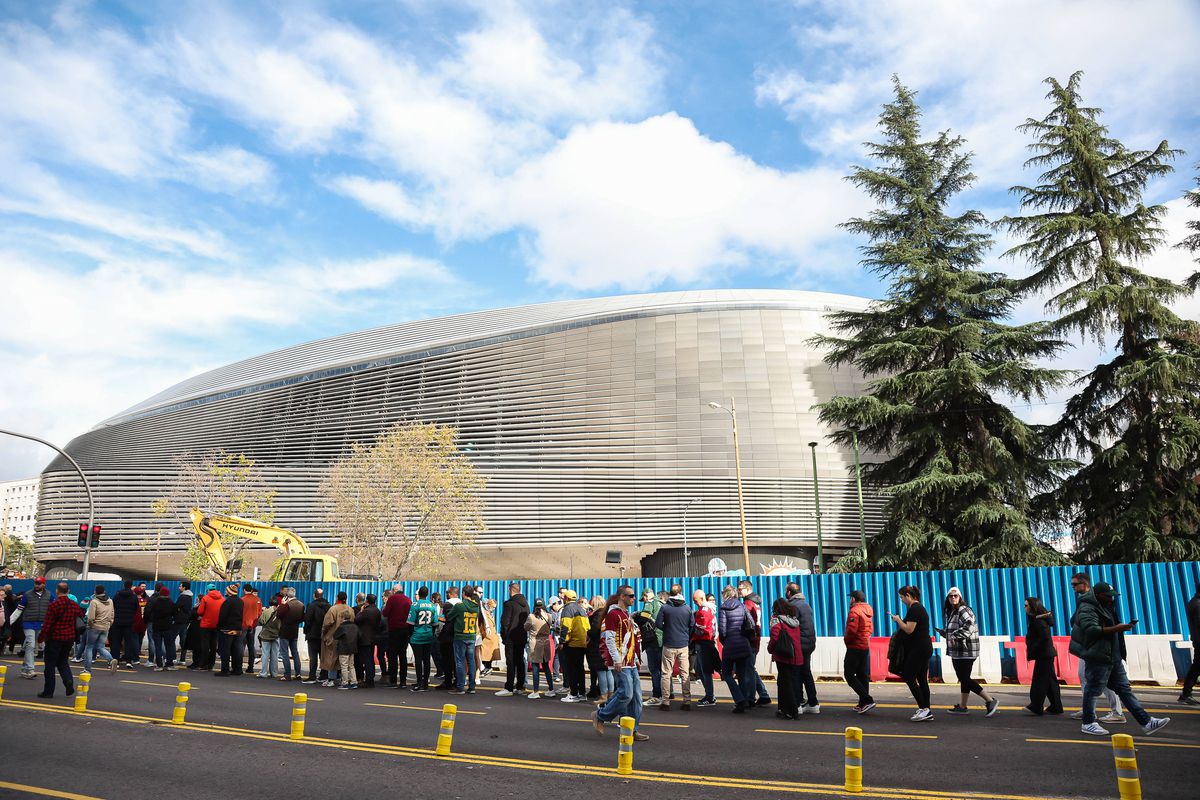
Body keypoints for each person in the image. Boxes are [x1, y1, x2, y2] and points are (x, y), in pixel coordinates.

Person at [1071, 581, 1170, 736]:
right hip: (1099, 656)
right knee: (1093, 689)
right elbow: (1090, 630)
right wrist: (1116, 629)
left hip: (1113, 656)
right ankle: (1088, 723)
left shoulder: (1107, 605)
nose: (1111, 599)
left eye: (1113, 596)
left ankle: (1146, 722)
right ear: (1098, 595)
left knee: (1124, 689)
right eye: (1108, 596)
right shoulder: (1087, 607)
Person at [591, 586, 648, 742]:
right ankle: (600, 715)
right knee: (626, 694)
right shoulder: (613, 615)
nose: (634, 598)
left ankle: (632, 730)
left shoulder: (626, 615)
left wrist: (636, 658)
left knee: (636, 698)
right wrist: (616, 659)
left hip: (629, 661)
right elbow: (609, 638)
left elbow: (631, 639)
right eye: (631, 595)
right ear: (622, 597)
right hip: (620, 663)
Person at [1068, 573, 1124, 723]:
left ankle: (1117, 712)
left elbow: (1106, 622)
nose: (1072, 587)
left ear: (1085, 584)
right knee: (1084, 676)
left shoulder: (1096, 599)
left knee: (1103, 679)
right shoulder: (1085, 599)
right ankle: (1089, 710)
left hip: (1098, 646)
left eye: (1075, 584)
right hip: (1088, 644)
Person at [940, 587, 998, 716]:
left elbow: (969, 625)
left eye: (955, 595)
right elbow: (958, 629)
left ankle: (990, 700)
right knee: (964, 678)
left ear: (960, 597)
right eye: (950, 596)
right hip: (959, 651)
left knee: (964, 678)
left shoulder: (963, 609)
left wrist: (955, 635)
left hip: (966, 650)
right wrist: (946, 634)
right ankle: (963, 706)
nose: (953, 598)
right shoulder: (953, 612)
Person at [891, 585, 933, 722]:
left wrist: (898, 620)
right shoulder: (918, 608)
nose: (901, 600)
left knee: (909, 676)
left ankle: (924, 708)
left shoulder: (915, 609)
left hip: (919, 649)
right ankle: (926, 709)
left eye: (902, 597)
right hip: (923, 647)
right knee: (921, 678)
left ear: (908, 596)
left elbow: (909, 629)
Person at [36, 582, 82, 698]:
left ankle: (48, 691)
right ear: (68, 591)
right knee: (63, 662)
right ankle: (68, 681)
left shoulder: (54, 605)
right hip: (69, 638)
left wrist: (41, 638)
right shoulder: (74, 605)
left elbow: (47, 624)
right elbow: (80, 618)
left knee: (50, 665)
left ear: (57, 591)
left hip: (55, 638)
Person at [719, 585, 757, 713]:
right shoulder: (742, 606)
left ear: (725, 595)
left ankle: (739, 699)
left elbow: (722, 630)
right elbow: (751, 623)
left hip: (730, 644)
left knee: (726, 673)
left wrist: (725, 641)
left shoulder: (723, 608)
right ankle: (744, 701)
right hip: (743, 643)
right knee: (742, 674)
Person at [1023, 597, 1063, 716]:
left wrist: (1033, 648)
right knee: (1050, 681)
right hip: (1046, 653)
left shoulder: (1038, 621)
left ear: (1033, 606)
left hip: (1043, 654)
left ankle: (1036, 705)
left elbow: (1043, 638)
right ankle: (1056, 706)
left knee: (1039, 680)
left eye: (1026, 605)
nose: (1024, 608)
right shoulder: (1037, 619)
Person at [656, 584, 692, 711]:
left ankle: (665, 701)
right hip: (683, 644)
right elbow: (692, 625)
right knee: (684, 673)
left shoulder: (665, 608)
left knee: (666, 673)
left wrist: (668, 629)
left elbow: (658, 624)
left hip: (669, 644)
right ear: (681, 592)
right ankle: (686, 701)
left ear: (670, 593)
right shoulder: (687, 608)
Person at [768, 597, 804, 720]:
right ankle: (787, 708)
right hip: (796, 656)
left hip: (784, 656)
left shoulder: (776, 620)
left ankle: (791, 711)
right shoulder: (794, 621)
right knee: (791, 682)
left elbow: (775, 638)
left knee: (785, 684)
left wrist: (770, 649)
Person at [785, 582, 819, 713]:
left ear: (789, 592)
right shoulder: (806, 605)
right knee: (806, 672)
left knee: (796, 674)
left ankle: (798, 703)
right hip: (809, 643)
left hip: (799, 644)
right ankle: (813, 703)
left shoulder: (792, 606)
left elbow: (791, 626)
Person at [738, 580, 771, 706]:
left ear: (748, 589)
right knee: (751, 668)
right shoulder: (756, 602)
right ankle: (763, 695)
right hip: (755, 639)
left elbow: (747, 623)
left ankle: (750, 698)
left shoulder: (747, 603)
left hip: (750, 640)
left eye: (741, 589)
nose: (739, 591)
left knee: (749, 670)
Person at [11, 577, 52, 678]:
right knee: (30, 644)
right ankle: (30, 669)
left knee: (34, 646)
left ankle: (25, 669)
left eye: (39, 583)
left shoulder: (50, 595)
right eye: (35, 583)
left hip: (42, 624)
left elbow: (53, 609)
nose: (36, 585)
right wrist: (10, 622)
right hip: (28, 623)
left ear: (44, 584)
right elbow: (19, 610)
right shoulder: (27, 594)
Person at [843, 589, 875, 713]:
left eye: (851, 598)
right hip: (864, 646)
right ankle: (863, 703)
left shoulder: (854, 611)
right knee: (862, 675)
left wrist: (847, 641)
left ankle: (867, 700)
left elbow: (851, 631)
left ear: (854, 599)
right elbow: (870, 629)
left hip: (854, 647)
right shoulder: (868, 610)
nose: (850, 600)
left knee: (849, 675)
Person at [446, 586, 480, 695]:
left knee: (460, 661)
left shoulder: (459, 606)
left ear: (464, 593)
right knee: (471, 661)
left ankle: (460, 686)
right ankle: (472, 686)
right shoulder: (476, 606)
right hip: (471, 636)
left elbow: (449, 616)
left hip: (460, 636)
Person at [498, 583, 529, 697]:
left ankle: (509, 687)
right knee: (520, 661)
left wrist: (504, 636)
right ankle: (520, 686)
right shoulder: (526, 604)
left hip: (511, 637)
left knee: (510, 663)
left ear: (510, 590)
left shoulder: (509, 604)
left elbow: (505, 622)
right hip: (522, 636)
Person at [559, 589, 590, 702]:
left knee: (571, 670)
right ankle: (582, 693)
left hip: (572, 643)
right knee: (580, 669)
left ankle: (573, 694)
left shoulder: (567, 609)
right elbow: (587, 627)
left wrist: (562, 641)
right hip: (582, 643)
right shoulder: (581, 609)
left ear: (566, 598)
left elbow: (566, 627)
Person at [407, 586, 439, 692]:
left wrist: (410, 635)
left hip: (417, 636)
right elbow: (435, 623)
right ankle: (425, 682)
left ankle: (419, 682)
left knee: (418, 660)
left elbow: (410, 623)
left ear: (419, 594)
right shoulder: (432, 606)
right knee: (426, 660)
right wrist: (431, 633)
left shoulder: (415, 605)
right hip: (428, 635)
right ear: (427, 594)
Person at [636, 587, 664, 707]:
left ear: (646, 596)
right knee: (664, 669)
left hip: (652, 639)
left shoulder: (649, 603)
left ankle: (656, 695)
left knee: (654, 670)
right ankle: (668, 693)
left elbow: (643, 618)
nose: (645, 600)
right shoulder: (662, 603)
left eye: (645, 598)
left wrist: (635, 616)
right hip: (663, 639)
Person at [690, 589, 718, 707]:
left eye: (696, 601)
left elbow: (702, 629)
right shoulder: (706, 609)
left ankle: (710, 696)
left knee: (705, 670)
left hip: (704, 643)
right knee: (700, 669)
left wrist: (692, 631)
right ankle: (709, 695)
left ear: (701, 599)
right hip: (706, 642)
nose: (695, 603)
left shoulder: (704, 611)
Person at [321, 591, 354, 688]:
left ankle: (331, 679)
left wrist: (324, 634)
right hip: (347, 638)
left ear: (337, 598)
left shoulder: (333, 609)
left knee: (331, 658)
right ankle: (342, 678)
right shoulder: (350, 609)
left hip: (333, 637)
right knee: (344, 661)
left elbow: (326, 624)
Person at [382, 585, 413, 688]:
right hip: (405, 630)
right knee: (403, 656)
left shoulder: (392, 599)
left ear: (394, 591)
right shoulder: (408, 600)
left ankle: (393, 680)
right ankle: (403, 681)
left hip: (394, 630)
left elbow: (385, 613)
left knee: (393, 655)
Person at [525, 598, 555, 698]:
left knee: (535, 667)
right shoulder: (549, 616)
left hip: (535, 643)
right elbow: (551, 626)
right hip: (546, 642)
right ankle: (551, 689)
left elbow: (526, 627)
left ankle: (536, 691)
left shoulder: (531, 617)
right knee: (546, 667)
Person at [144, 584, 178, 670]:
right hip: (167, 627)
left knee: (157, 646)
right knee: (169, 646)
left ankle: (159, 665)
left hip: (157, 626)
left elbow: (148, 612)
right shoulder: (171, 603)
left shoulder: (155, 602)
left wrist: (146, 620)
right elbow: (176, 614)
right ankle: (169, 664)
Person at [82, 584, 114, 672]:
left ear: (95, 592)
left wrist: (90, 625)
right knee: (101, 647)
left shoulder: (94, 602)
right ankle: (111, 660)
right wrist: (109, 623)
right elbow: (112, 614)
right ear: (104, 592)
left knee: (89, 647)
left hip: (95, 627)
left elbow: (91, 617)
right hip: (105, 626)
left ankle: (87, 669)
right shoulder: (110, 601)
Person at [302, 588, 331, 684]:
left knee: (313, 656)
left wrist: (306, 631)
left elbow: (308, 620)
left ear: (314, 595)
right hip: (324, 635)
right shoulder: (328, 606)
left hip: (313, 634)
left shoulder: (311, 605)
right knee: (323, 656)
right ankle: (324, 675)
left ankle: (312, 676)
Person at [214, 584, 244, 677]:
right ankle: (237, 669)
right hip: (238, 628)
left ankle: (225, 670)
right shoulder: (240, 601)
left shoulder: (228, 602)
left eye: (227, 590)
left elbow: (223, 616)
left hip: (227, 629)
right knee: (236, 649)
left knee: (225, 649)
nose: (225, 592)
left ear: (229, 592)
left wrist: (219, 627)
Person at [192, 583, 223, 672]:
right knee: (213, 645)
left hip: (205, 625)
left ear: (208, 590)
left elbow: (200, 611)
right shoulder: (222, 599)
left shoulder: (205, 598)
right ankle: (211, 664)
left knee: (205, 645)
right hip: (216, 625)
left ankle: (202, 665)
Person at [435, 587, 460, 690]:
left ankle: (448, 681)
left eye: (446, 593)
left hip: (448, 636)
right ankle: (458, 680)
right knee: (457, 660)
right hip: (459, 635)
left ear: (450, 594)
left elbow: (448, 620)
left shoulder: (448, 604)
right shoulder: (461, 604)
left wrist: (442, 635)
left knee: (447, 660)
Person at [355, 593, 382, 688]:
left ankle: (369, 680)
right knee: (370, 658)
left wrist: (361, 611)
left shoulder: (366, 611)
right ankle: (371, 678)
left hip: (364, 638)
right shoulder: (377, 611)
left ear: (367, 601)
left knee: (367, 660)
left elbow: (356, 619)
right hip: (373, 638)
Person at [277, 587, 304, 681]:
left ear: (287, 595)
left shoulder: (286, 604)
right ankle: (298, 674)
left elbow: (278, 615)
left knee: (285, 653)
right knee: (295, 653)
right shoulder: (301, 604)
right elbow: (302, 618)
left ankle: (287, 674)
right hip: (294, 630)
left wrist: (282, 604)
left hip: (285, 631)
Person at [585, 594, 609, 701]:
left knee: (599, 670)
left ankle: (601, 693)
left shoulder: (597, 615)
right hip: (606, 645)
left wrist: (588, 633)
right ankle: (608, 692)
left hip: (596, 646)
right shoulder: (608, 613)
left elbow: (594, 630)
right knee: (607, 670)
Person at [333, 603, 360, 691]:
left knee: (344, 666)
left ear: (342, 617)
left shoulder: (342, 627)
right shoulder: (355, 626)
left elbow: (335, 636)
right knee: (351, 666)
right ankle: (354, 682)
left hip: (343, 648)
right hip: (353, 648)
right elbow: (360, 635)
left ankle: (345, 683)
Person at [1181, 584, 1200, 705]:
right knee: (1196, 668)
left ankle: (1186, 693)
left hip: (1198, 640)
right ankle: (1186, 693)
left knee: (1196, 667)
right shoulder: (1198, 604)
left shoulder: (1194, 602)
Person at [257, 597, 282, 679]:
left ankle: (263, 673)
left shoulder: (266, 611)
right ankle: (274, 673)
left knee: (265, 654)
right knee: (275, 654)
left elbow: (261, 621)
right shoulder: (280, 612)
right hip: (276, 635)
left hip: (266, 635)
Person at [241, 585, 263, 674]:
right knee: (251, 646)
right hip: (253, 625)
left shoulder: (242, 600)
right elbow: (259, 613)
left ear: (244, 590)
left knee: (241, 646)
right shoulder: (258, 600)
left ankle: (239, 666)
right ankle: (251, 667)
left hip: (243, 625)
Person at [173, 581, 194, 666]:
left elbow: (176, 607)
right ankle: (182, 659)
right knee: (183, 641)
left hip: (179, 621)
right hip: (186, 621)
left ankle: (173, 658)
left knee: (172, 638)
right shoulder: (189, 597)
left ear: (184, 587)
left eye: (180, 586)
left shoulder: (183, 597)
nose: (179, 587)